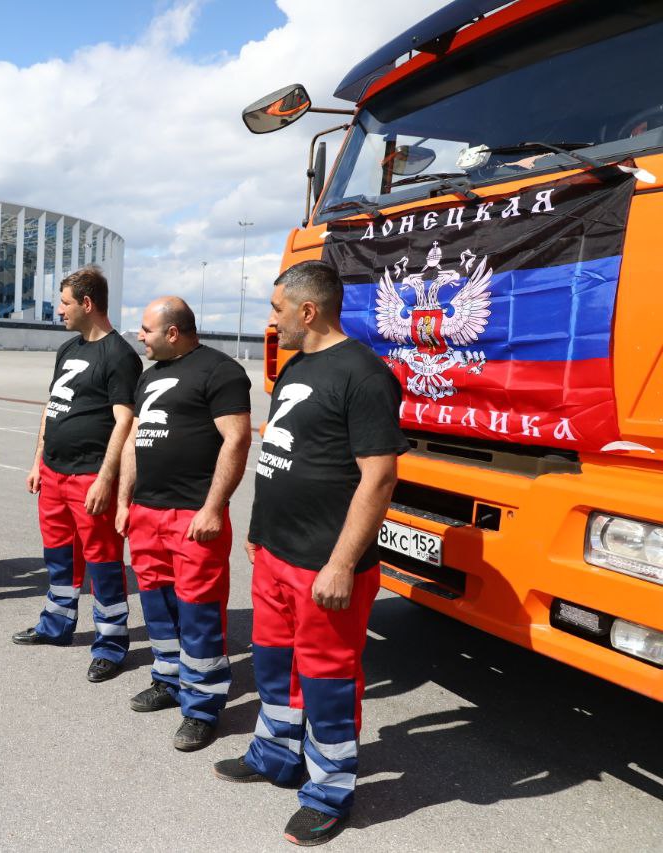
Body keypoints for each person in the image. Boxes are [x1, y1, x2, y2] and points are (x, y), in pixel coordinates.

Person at [212, 260, 404, 847]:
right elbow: (284, 457)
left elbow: (379, 478)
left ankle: (328, 793)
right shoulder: (297, 366)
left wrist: (343, 563)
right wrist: (259, 530)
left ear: (308, 310)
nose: (272, 322)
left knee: (327, 680)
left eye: (276, 310)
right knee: (273, 664)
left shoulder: (364, 376)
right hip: (275, 554)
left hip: (325, 564)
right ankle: (276, 754)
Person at [116, 296, 252, 751]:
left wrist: (214, 507)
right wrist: (124, 501)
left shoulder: (220, 371)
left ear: (173, 332)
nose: (139, 336)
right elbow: (135, 440)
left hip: (193, 514)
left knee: (198, 610)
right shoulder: (149, 376)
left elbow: (236, 439)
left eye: (146, 329)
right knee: (157, 605)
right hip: (146, 514)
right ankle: (168, 680)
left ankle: (202, 707)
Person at [13, 266, 142, 683]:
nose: (59, 312)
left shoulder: (120, 355)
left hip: (90, 476)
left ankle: (110, 642)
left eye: (64, 304)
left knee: (103, 563)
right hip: (53, 473)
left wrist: (106, 479)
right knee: (59, 558)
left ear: (88, 304)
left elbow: (125, 422)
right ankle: (56, 625)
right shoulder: (67, 349)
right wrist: (37, 461)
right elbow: (53, 406)